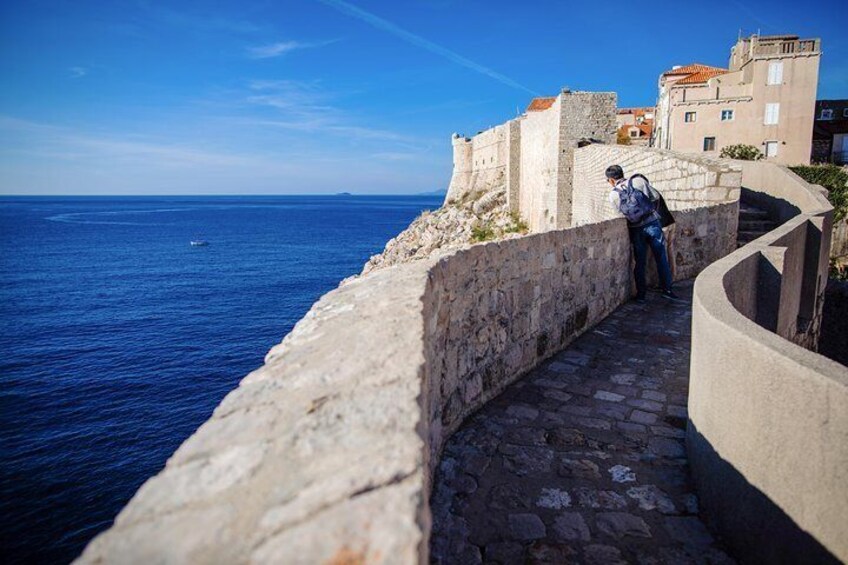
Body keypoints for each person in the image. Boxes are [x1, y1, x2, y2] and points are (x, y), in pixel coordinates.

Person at [605, 164, 683, 303]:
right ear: (623, 173)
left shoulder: (613, 194)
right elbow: (654, 197)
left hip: (636, 229)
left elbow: (619, 214)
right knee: (661, 257)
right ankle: (667, 290)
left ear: (611, 180)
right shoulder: (638, 181)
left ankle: (641, 295)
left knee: (639, 262)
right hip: (652, 224)